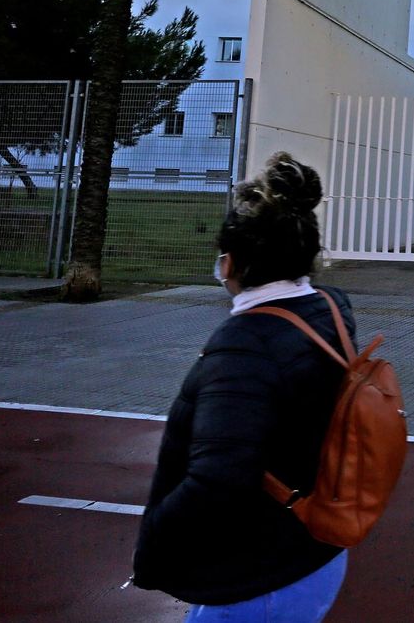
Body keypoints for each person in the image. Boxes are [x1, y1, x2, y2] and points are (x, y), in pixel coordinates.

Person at [132, 152, 355, 622]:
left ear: (230, 263)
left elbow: (218, 478)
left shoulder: (245, 347)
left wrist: (151, 545)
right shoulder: (329, 311)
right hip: (316, 550)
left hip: (259, 577)